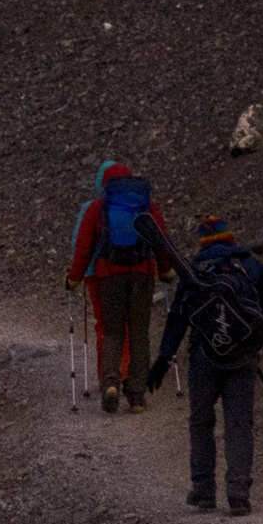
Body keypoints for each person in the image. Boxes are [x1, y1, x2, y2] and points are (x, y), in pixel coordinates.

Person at [149, 215, 263, 516]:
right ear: (231, 238)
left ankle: (203, 492)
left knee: (201, 422)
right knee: (239, 424)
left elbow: (178, 317)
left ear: (203, 242)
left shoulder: (195, 270)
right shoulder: (249, 265)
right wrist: (247, 316)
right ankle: (238, 495)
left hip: (204, 354)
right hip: (243, 356)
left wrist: (163, 359)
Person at [65, 161, 175, 413]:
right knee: (139, 333)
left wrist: (74, 277)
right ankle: (136, 395)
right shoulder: (147, 206)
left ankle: (110, 384)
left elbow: (84, 247)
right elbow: (161, 240)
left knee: (112, 332)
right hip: (142, 276)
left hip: (108, 276)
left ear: (104, 183)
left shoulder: (97, 208)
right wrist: (164, 269)